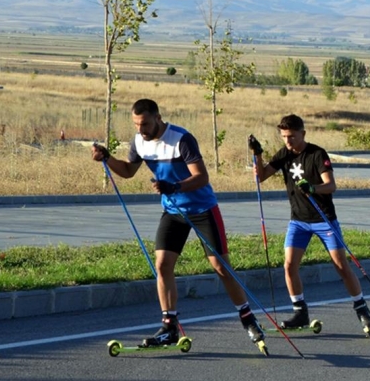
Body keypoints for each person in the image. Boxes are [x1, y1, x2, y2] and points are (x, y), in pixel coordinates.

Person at [91, 98, 265, 349]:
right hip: (173, 211)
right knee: (162, 264)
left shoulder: (181, 139)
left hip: (202, 209)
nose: (141, 129)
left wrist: (174, 186)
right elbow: (128, 171)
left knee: (220, 266)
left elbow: (201, 177)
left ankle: (248, 318)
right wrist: (107, 158)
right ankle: (169, 326)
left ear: (158, 118)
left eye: (145, 124)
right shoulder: (139, 141)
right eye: (136, 124)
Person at [250, 114, 370, 334]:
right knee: (289, 265)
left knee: (340, 266)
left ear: (303, 134)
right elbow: (260, 177)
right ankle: (300, 311)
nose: (288, 141)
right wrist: (257, 154)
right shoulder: (284, 154)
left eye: (292, 136)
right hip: (298, 221)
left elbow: (331, 185)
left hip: (323, 219)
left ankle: (362, 308)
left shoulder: (317, 154)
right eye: (284, 137)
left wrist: (313, 188)